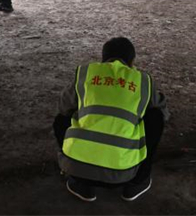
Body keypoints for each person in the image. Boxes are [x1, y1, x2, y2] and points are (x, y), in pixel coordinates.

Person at [54, 37, 168, 202]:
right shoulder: (141, 80)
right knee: (155, 117)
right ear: (132, 61)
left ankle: (79, 182)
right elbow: (164, 113)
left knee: (62, 118)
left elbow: (62, 107)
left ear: (102, 58)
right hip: (125, 173)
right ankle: (137, 182)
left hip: (79, 171)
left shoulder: (88, 73)